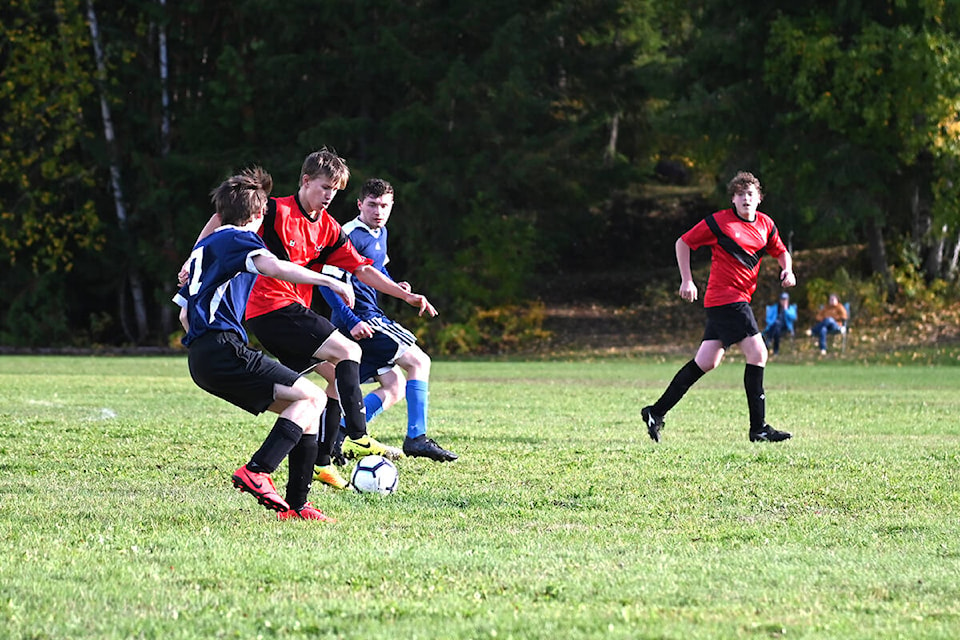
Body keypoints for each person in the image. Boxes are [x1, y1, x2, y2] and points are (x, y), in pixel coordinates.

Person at [180, 148, 437, 491]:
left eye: (335, 189)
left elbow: (362, 268)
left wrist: (404, 295)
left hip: (290, 313)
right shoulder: (275, 209)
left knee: (331, 382)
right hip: (270, 307)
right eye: (324, 186)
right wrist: (194, 255)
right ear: (305, 181)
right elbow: (227, 218)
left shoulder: (329, 228)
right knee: (348, 351)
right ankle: (358, 435)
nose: (330, 195)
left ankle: (322, 462)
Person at [174, 166, 356, 521]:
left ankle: (297, 507)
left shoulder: (201, 252)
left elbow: (183, 315)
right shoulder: (236, 239)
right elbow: (275, 267)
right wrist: (330, 282)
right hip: (223, 347)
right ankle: (257, 470)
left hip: (202, 356)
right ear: (258, 215)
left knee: (306, 410)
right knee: (315, 396)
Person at [641, 171, 797, 443]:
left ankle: (655, 411)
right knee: (758, 353)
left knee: (707, 361)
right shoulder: (719, 222)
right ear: (733, 199)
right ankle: (758, 428)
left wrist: (788, 270)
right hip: (726, 299)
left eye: (751, 194)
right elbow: (683, 242)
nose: (746, 198)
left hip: (736, 300)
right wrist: (687, 280)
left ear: (759, 199)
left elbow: (781, 251)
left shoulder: (766, 225)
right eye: (740, 194)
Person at [317, 178, 457, 463]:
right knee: (419, 362)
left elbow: (377, 272)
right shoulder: (348, 234)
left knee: (393, 387)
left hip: (370, 318)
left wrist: (397, 286)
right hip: (362, 320)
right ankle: (416, 439)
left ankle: (337, 435)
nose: (378, 211)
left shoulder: (380, 232)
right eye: (372, 205)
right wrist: (352, 320)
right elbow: (326, 284)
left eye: (384, 206)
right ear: (359, 204)